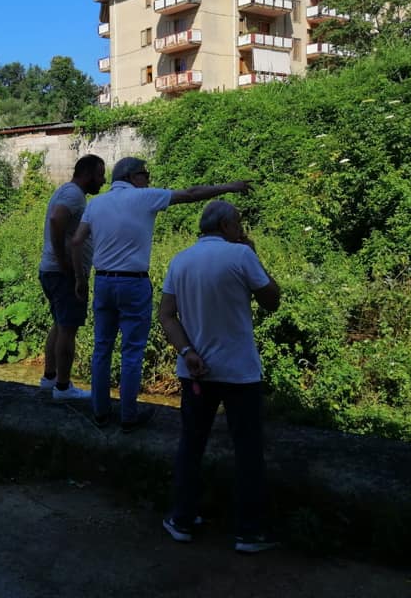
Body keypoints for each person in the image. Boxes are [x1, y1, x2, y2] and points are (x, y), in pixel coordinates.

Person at [71, 157, 250, 434]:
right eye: (145, 174)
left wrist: (81, 279)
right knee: (132, 351)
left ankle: (100, 412)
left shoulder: (96, 204)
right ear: (132, 176)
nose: (148, 179)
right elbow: (190, 194)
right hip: (133, 283)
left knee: (102, 348)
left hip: (103, 281)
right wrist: (229, 187)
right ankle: (128, 416)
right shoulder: (145, 197)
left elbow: (76, 241)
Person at [158, 200, 281, 553]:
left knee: (191, 444)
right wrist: (254, 254)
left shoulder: (180, 260)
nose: (241, 229)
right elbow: (272, 300)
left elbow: (166, 315)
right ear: (226, 225)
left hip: (195, 371)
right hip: (240, 372)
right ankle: (249, 531)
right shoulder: (241, 256)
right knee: (248, 449)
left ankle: (182, 519)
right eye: (238, 223)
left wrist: (187, 352)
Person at [38, 154, 106, 400]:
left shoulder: (67, 191)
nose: (103, 180)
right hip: (62, 274)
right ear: (87, 174)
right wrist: (67, 265)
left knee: (59, 325)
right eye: (100, 175)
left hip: (52, 271)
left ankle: (50, 378)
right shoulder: (74, 195)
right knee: (68, 329)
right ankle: (63, 387)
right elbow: (57, 219)